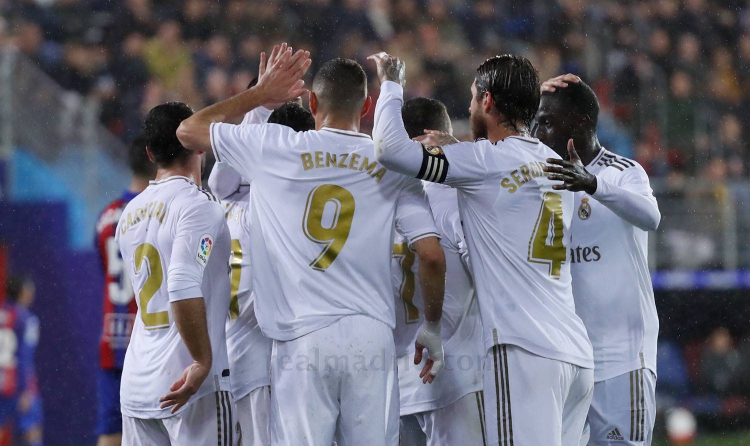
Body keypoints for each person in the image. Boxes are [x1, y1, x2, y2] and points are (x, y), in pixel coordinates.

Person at [177, 45, 446, 446]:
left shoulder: (274, 146)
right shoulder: (389, 162)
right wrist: (432, 326)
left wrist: (260, 95)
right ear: (366, 106)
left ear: (314, 103)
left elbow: (187, 131)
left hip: (300, 337)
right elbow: (431, 256)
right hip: (371, 335)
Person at [371, 52, 594, 446]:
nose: (470, 108)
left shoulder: (481, 161)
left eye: (474, 98)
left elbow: (390, 150)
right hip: (574, 352)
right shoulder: (553, 161)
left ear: (487, 101)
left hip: (523, 350)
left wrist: (391, 81)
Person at [536, 75, 660, 445]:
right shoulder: (542, 180)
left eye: (547, 122)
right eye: (536, 121)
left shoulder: (622, 171)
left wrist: (592, 184)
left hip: (622, 360)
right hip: (567, 361)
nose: (538, 132)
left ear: (581, 122)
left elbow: (651, 217)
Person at [116, 102, 235, 445]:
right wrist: (202, 361)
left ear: (150, 153)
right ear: (198, 144)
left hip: (138, 384)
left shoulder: (129, 213)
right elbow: (182, 285)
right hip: (188, 386)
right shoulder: (198, 207)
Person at [205, 100, 315, 446]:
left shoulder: (221, 205)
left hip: (230, 355)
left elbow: (219, 178)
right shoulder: (278, 208)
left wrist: (260, 104)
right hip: (267, 363)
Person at [395, 98, 485, 446]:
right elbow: (489, 270)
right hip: (454, 376)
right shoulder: (454, 196)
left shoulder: (379, 196)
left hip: (389, 383)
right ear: (438, 137)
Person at [94, 134, 156, 446]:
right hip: (149, 338)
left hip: (112, 339)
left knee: (110, 432)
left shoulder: (106, 216)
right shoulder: (157, 212)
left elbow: (105, 267)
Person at [0, 276, 39, 446]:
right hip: (17, 385)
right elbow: (25, 356)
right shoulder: (27, 319)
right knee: (32, 430)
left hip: (2, 383)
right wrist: (25, 389)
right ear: (22, 292)